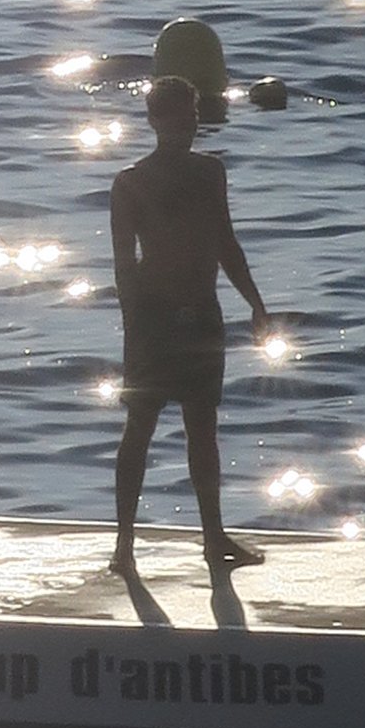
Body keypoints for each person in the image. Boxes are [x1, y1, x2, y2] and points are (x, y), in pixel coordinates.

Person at [108, 73, 273, 578]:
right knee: (140, 429)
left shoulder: (209, 173)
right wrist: (135, 328)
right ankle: (124, 546)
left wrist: (256, 304)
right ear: (159, 121)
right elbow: (123, 267)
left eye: (196, 114)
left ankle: (214, 538)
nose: (193, 123)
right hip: (157, 321)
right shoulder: (129, 182)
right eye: (184, 114)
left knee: (203, 430)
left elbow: (225, 243)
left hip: (202, 314)